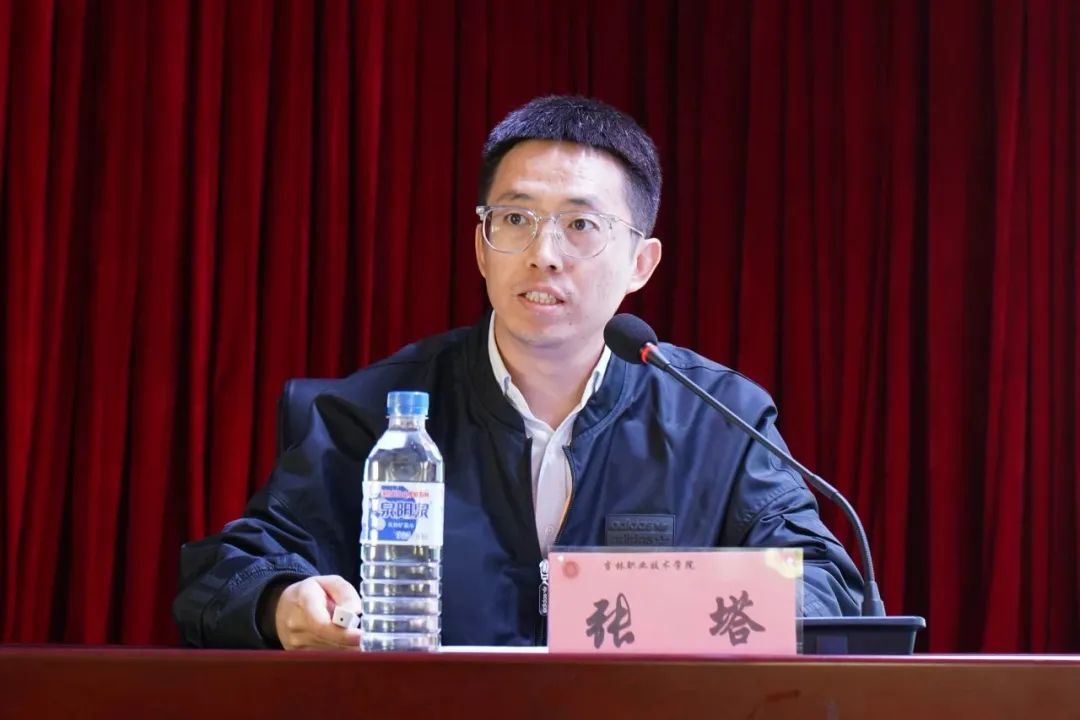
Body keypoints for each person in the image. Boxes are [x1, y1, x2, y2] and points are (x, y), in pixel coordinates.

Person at [173, 96, 863, 650]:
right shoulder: (375, 412)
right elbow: (229, 573)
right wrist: (281, 603)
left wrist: (675, 602)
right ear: (481, 247)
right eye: (515, 218)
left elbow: (827, 588)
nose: (544, 254)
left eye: (581, 226)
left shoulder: (718, 418)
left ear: (640, 264)